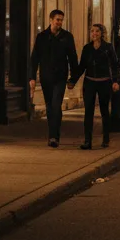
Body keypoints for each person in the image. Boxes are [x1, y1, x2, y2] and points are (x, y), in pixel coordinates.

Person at [29, 9, 79, 147]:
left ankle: (54, 137)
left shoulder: (67, 37)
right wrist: (32, 77)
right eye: (57, 20)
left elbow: (73, 58)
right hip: (45, 77)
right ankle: (52, 134)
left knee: (56, 105)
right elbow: (34, 58)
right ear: (51, 20)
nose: (59, 22)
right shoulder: (42, 37)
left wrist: (73, 78)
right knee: (50, 106)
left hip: (60, 77)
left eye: (61, 20)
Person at [69, 23, 120, 150]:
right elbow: (82, 67)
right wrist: (72, 80)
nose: (94, 34)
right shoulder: (87, 48)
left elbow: (115, 65)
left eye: (97, 31)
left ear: (102, 33)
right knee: (88, 112)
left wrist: (115, 81)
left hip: (104, 82)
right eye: (92, 31)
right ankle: (87, 141)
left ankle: (106, 139)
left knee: (104, 111)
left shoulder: (108, 48)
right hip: (90, 82)